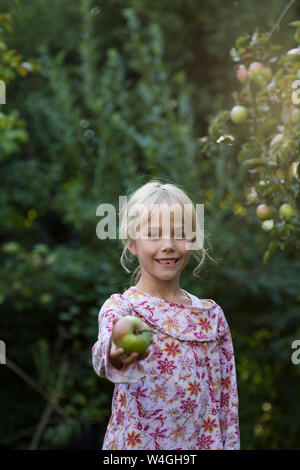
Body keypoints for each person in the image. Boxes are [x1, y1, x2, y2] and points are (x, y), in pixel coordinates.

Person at [92, 180, 240, 450]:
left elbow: (227, 406)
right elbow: (105, 359)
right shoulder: (124, 309)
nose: (169, 244)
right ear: (132, 243)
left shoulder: (210, 317)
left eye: (180, 234)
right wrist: (117, 351)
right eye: (154, 234)